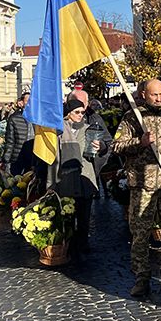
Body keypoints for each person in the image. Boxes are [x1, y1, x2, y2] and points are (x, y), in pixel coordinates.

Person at [112, 79, 161, 298]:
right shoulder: (133, 118)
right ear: (143, 95)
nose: (158, 98)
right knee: (140, 234)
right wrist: (140, 142)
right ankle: (141, 277)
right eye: (153, 94)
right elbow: (116, 145)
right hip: (143, 186)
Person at [54, 98, 106, 256]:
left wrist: (101, 146)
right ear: (68, 113)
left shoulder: (89, 128)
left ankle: (83, 244)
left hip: (85, 176)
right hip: (66, 178)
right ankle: (68, 244)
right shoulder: (59, 129)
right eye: (77, 112)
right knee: (67, 215)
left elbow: (101, 148)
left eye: (82, 112)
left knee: (84, 215)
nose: (80, 115)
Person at [3, 93, 35, 176]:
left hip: (35, 158)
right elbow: (10, 141)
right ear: (21, 103)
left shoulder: (39, 118)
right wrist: (6, 160)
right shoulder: (14, 119)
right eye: (28, 101)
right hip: (18, 158)